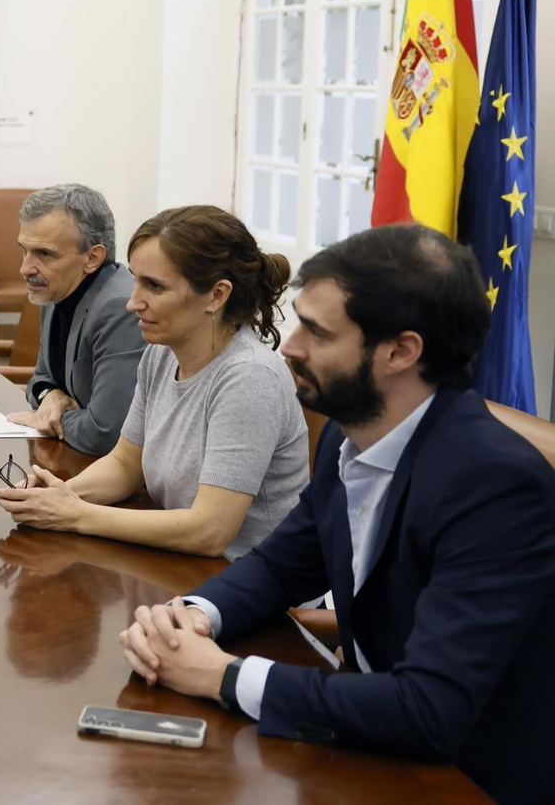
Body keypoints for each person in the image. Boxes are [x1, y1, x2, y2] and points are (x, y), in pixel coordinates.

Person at [119, 225, 555, 805]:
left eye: (317, 332)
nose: (289, 346)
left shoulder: (495, 485)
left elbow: (429, 711)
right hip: (366, 745)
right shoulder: (348, 439)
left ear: (401, 351)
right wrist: (193, 615)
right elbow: (281, 567)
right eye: (297, 320)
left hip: (465, 778)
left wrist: (221, 675)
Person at [0, 206, 306, 561]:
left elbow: (210, 531)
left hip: (245, 590)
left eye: (154, 287)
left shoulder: (249, 377)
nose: (132, 302)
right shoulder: (162, 354)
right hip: (182, 568)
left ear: (217, 295)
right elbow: (125, 466)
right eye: (136, 280)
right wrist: (56, 496)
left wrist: (75, 514)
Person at [4, 184, 145, 457]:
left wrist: (47, 420)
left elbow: (104, 434)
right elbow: (41, 379)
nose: (25, 269)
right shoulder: (56, 290)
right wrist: (50, 396)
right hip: (71, 457)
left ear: (92, 258)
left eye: (44, 254)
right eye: (24, 250)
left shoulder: (120, 308)